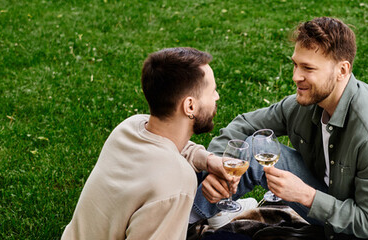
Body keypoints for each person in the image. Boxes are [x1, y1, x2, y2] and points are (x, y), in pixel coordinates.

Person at [191, 17, 368, 239]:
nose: (296, 76)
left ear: (342, 70)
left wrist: (306, 195)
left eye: (308, 68)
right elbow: (246, 124)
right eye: (295, 64)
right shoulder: (305, 103)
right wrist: (217, 165)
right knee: (253, 148)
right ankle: (186, 215)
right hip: (332, 204)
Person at [62, 47, 238, 239]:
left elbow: (173, 148)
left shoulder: (130, 127)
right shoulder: (176, 183)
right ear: (190, 106)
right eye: (212, 91)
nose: (217, 96)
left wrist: (209, 160)